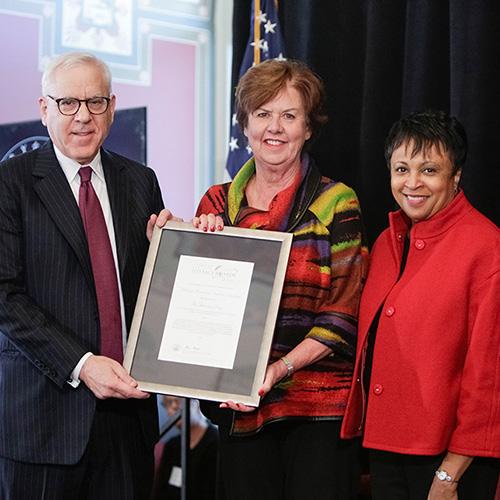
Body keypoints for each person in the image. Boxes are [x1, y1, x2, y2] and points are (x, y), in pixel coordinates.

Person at [0, 51, 176, 499]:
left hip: (127, 424)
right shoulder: (10, 182)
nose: (83, 116)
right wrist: (83, 364)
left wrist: (169, 255)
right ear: (44, 110)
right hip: (42, 423)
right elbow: (5, 295)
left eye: (95, 102)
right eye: (68, 103)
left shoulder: (140, 181)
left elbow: (150, 292)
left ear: (112, 108)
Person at [193, 59, 368, 500]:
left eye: (289, 115)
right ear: (245, 125)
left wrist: (277, 370)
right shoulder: (216, 204)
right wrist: (177, 244)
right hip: (240, 406)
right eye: (263, 114)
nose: (275, 127)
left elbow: (344, 313)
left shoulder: (336, 201)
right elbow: (197, 311)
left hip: (318, 409)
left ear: (308, 128)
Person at [341, 109, 500, 500]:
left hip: (451, 463)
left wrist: (450, 473)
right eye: (401, 169)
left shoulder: (486, 246)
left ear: (456, 174)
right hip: (386, 451)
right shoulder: (385, 243)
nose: (412, 183)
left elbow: (489, 377)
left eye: (429, 170)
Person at [151, 397, 220, 500]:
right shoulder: (172, 446)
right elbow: (162, 491)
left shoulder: (216, 444)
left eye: (179, 401)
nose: (174, 407)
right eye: (168, 403)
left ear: (197, 405)